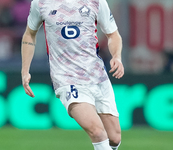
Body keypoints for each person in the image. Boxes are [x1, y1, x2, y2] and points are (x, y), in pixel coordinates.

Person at [21, 0, 124, 150]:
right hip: (66, 79)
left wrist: (117, 57)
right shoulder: (41, 3)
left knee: (114, 138)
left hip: (98, 77)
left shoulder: (96, 2)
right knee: (96, 131)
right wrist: (25, 71)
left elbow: (113, 34)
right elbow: (29, 35)